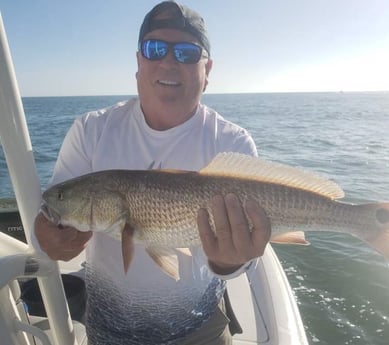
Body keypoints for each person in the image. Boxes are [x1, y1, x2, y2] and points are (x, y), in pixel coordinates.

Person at [34, 2, 271, 344]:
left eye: (187, 53)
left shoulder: (231, 142)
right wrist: (49, 236)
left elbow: (238, 263)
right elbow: (52, 214)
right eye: (155, 48)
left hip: (200, 329)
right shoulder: (91, 130)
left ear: (208, 69)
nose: (169, 61)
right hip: (109, 329)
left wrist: (227, 261)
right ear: (138, 62)